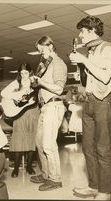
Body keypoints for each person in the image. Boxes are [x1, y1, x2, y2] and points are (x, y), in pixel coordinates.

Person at [69, 16, 111, 200]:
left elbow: (105, 78)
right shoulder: (91, 51)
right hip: (89, 102)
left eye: (82, 31)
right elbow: (91, 78)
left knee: (103, 149)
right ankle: (94, 185)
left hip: (104, 102)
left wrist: (83, 60)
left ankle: (105, 192)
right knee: (87, 147)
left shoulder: (107, 47)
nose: (80, 35)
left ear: (91, 30)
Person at [29, 36, 67, 191]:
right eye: (38, 50)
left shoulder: (58, 63)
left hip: (54, 105)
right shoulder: (45, 64)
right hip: (44, 107)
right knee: (39, 143)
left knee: (48, 145)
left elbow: (58, 89)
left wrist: (40, 81)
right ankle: (46, 174)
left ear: (51, 46)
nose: (40, 52)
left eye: (42, 49)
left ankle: (56, 179)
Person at [0, 63, 40, 178]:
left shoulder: (35, 81)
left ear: (30, 72)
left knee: (31, 139)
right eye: (21, 73)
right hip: (19, 113)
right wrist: (18, 94)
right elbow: (3, 93)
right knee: (18, 139)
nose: (23, 75)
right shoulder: (16, 82)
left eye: (26, 73)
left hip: (33, 112)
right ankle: (16, 167)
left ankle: (29, 166)